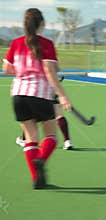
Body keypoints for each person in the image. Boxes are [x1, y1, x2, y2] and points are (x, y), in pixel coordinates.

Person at [2, 8, 72, 189]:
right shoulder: (47, 44)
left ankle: (36, 179)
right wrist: (63, 96)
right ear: (42, 24)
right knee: (50, 136)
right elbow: (50, 71)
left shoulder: (16, 43)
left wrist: (23, 72)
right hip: (40, 95)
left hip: (18, 95)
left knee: (30, 138)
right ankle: (40, 160)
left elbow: (7, 69)